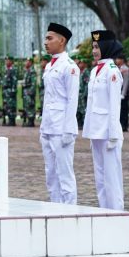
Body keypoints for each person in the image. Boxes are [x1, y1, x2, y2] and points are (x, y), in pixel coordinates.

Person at [83, 30, 124, 210]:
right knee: (100, 177)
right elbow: (91, 103)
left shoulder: (112, 72)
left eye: (97, 47)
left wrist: (113, 134)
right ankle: (104, 211)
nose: (94, 51)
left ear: (106, 47)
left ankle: (117, 214)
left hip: (108, 132)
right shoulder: (95, 71)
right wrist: (89, 131)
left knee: (112, 177)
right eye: (93, 47)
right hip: (96, 131)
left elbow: (115, 105)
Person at [39, 22, 80, 205]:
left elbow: (72, 100)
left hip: (61, 128)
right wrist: (42, 127)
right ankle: (55, 209)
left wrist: (69, 130)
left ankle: (70, 211)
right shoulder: (49, 66)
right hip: (48, 126)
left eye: (50, 38)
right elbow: (48, 98)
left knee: (65, 174)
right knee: (51, 174)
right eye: (46, 38)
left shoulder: (69, 67)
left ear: (62, 41)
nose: (45, 42)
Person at [1, 56, 18, 126]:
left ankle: (12, 120)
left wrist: (13, 90)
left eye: (8, 60)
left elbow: (14, 80)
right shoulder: (5, 69)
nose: (6, 62)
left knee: (11, 105)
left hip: (10, 90)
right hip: (5, 90)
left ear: (11, 61)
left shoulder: (13, 69)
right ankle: (8, 119)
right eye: (6, 60)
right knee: (6, 105)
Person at [115, 52, 129, 131]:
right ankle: (120, 124)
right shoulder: (116, 68)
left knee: (124, 109)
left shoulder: (125, 69)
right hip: (117, 90)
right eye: (116, 59)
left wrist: (123, 93)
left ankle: (124, 125)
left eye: (118, 59)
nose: (117, 60)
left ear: (122, 60)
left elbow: (126, 81)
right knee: (118, 109)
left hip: (123, 91)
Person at [22, 57, 37, 127]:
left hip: (29, 91)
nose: (26, 63)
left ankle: (31, 121)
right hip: (26, 91)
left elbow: (33, 83)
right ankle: (28, 120)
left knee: (30, 106)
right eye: (26, 61)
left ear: (31, 63)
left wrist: (30, 92)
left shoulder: (32, 71)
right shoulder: (26, 71)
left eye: (27, 61)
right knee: (26, 106)